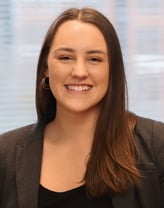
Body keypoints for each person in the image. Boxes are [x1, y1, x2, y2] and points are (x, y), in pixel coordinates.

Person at [0, 7, 164, 208]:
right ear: (45, 69)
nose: (79, 72)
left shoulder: (156, 144)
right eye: (65, 58)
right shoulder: (5, 154)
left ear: (112, 71)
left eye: (94, 59)